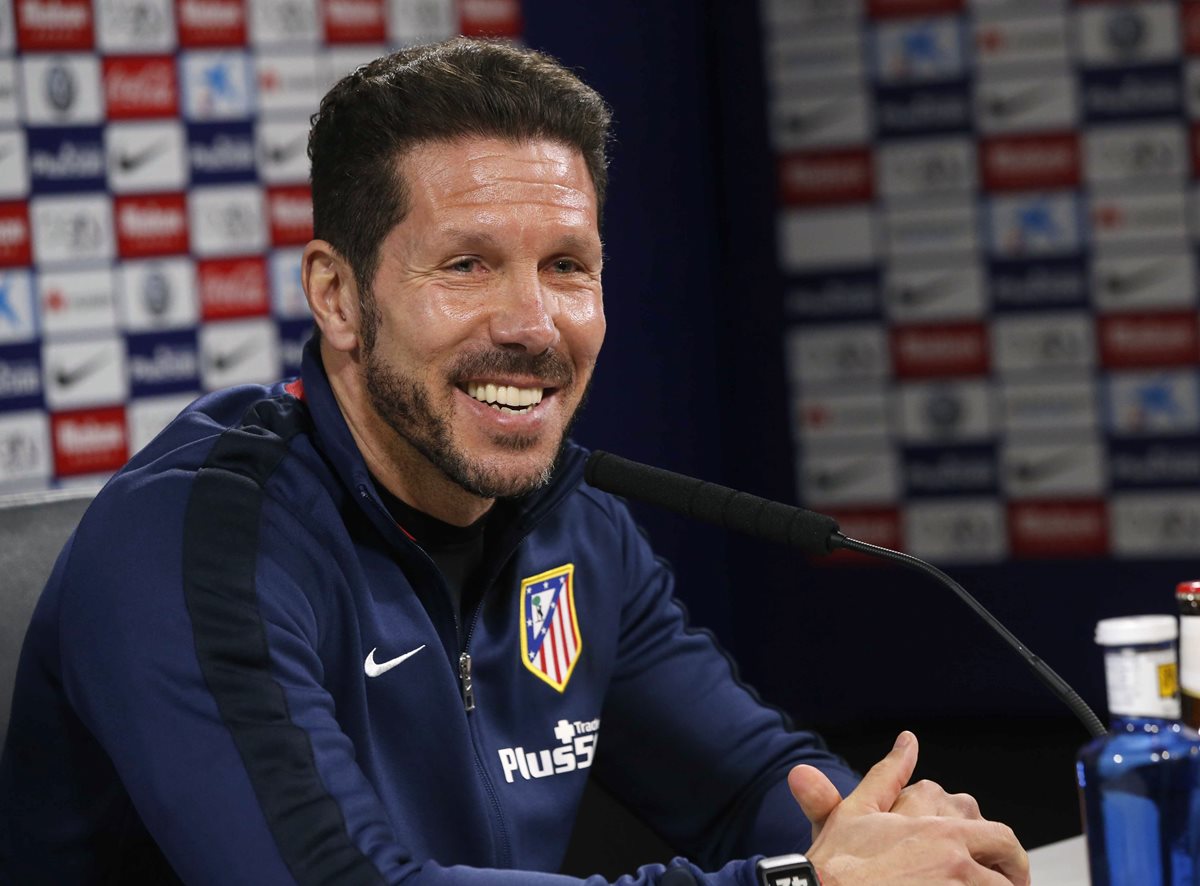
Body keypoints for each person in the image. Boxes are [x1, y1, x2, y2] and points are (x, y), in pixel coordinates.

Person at [0, 38, 1029, 885]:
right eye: (468, 264)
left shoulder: (568, 523)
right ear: (338, 296)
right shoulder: (194, 546)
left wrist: (883, 834)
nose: (534, 324)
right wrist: (800, 883)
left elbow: (743, 782)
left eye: (568, 267)